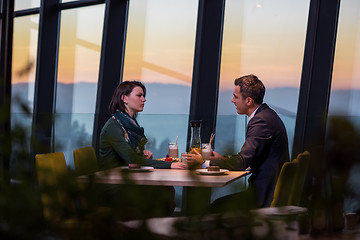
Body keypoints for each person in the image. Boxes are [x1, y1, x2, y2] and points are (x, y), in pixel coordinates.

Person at [185, 74, 289, 212]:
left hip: (263, 197)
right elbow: (249, 158)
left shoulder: (261, 122)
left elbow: (242, 162)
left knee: (215, 208)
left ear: (249, 101)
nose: (232, 100)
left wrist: (205, 163)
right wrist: (222, 159)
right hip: (268, 190)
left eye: (236, 96)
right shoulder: (267, 115)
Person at [98, 80, 187, 170]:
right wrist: (170, 165)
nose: (144, 99)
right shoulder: (113, 126)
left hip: (126, 175)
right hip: (112, 179)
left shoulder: (130, 124)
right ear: (124, 98)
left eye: (143, 96)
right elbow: (132, 159)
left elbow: (129, 154)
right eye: (139, 95)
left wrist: (142, 152)